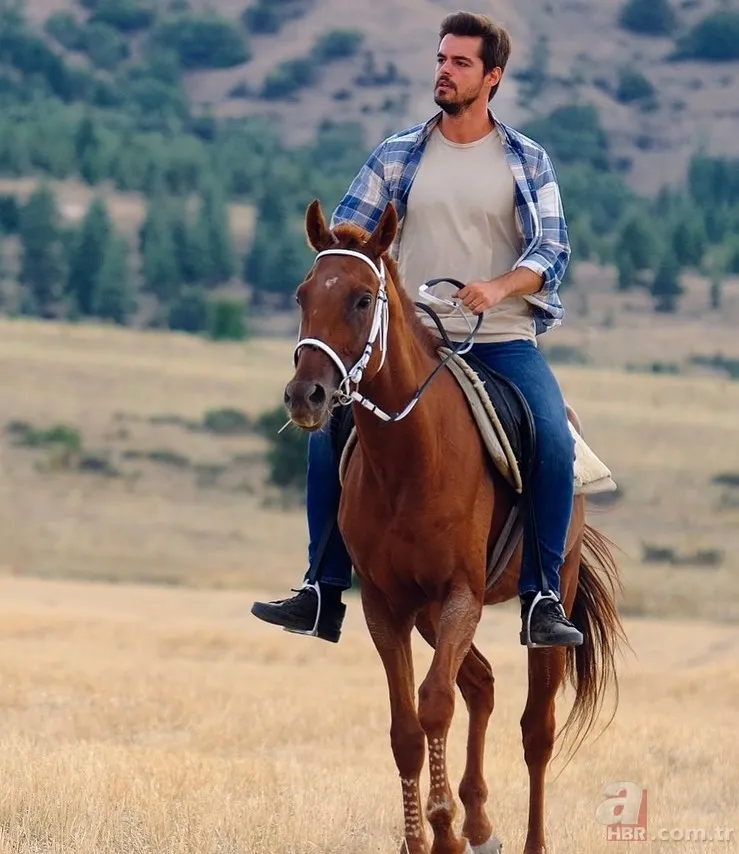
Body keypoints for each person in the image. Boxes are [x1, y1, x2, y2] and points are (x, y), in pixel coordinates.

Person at [251, 11, 583, 648]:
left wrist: (498, 288)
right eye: (441, 59)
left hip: (501, 338)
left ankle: (541, 595)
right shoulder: (400, 153)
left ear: (493, 78)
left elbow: (550, 254)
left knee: (554, 440)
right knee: (326, 438)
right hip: (413, 341)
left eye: (460, 63)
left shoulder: (525, 160)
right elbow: (349, 239)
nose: (445, 71)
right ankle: (322, 589)